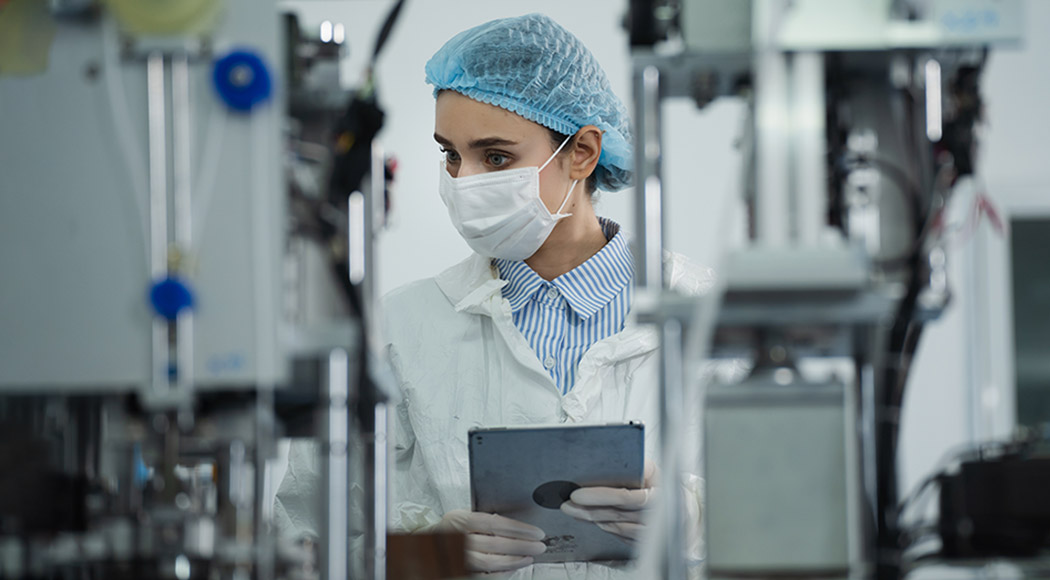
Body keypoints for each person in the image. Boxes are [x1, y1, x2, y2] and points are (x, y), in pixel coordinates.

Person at [276, 13, 711, 579]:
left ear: (582, 152)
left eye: (496, 157)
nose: (465, 182)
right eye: (451, 155)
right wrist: (427, 554)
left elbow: (804, 519)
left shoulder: (708, 317)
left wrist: (694, 516)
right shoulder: (398, 330)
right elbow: (305, 541)